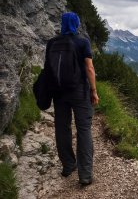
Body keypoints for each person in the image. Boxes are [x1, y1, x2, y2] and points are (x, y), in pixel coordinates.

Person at [44, 12, 99, 185]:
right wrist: (94, 91)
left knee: (62, 128)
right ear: (76, 23)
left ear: (62, 24)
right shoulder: (82, 42)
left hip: (58, 92)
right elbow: (89, 68)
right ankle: (85, 175)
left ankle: (68, 165)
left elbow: (49, 69)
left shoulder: (52, 43)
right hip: (79, 92)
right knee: (83, 129)